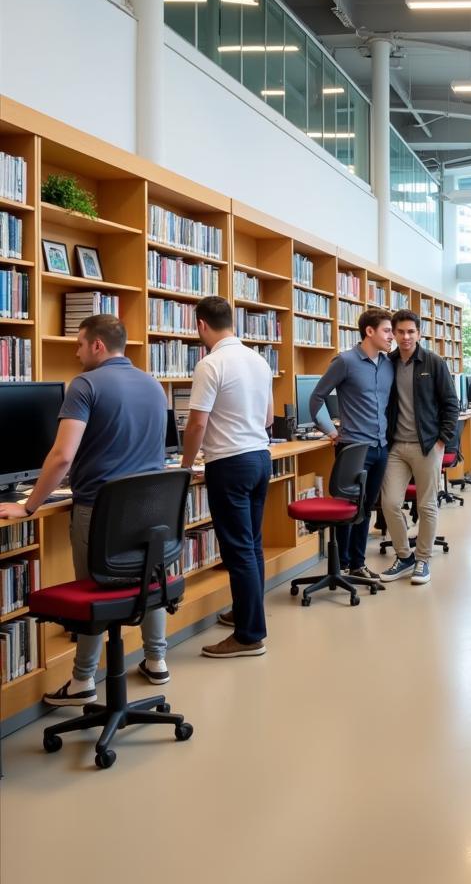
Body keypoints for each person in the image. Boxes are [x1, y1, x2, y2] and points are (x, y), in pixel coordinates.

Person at [0, 315, 170, 703]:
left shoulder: (85, 385)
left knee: (91, 589)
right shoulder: (154, 385)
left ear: (97, 345)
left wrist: (29, 506)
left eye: (79, 344)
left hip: (100, 512)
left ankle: (82, 682)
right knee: (150, 578)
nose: (76, 352)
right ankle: (157, 660)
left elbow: (62, 456)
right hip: (150, 509)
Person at [181, 296, 274, 659]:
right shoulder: (258, 360)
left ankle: (249, 635)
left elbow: (197, 423)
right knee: (252, 545)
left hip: (229, 464)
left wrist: (186, 465)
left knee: (238, 550)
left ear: (202, 325)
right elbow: (267, 417)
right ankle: (247, 612)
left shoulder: (210, 363)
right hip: (259, 459)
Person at [310, 307, 394, 584]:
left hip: (380, 447)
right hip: (352, 448)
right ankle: (343, 563)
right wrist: (332, 432)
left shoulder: (387, 364)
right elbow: (316, 398)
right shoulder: (345, 362)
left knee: (366, 507)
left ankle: (357, 563)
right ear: (369, 331)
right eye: (386, 330)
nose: (391, 336)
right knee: (347, 506)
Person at [378, 309, 459, 587]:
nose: (405, 337)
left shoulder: (434, 363)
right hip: (396, 446)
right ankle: (404, 556)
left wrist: (441, 439)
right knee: (389, 503)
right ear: (393, 333)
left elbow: (451, 403)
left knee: (426, 505)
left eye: (411, 331)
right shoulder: (386, 363)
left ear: (419, 334)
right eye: (399, 332)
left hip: (427, 446)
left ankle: (423, 559)